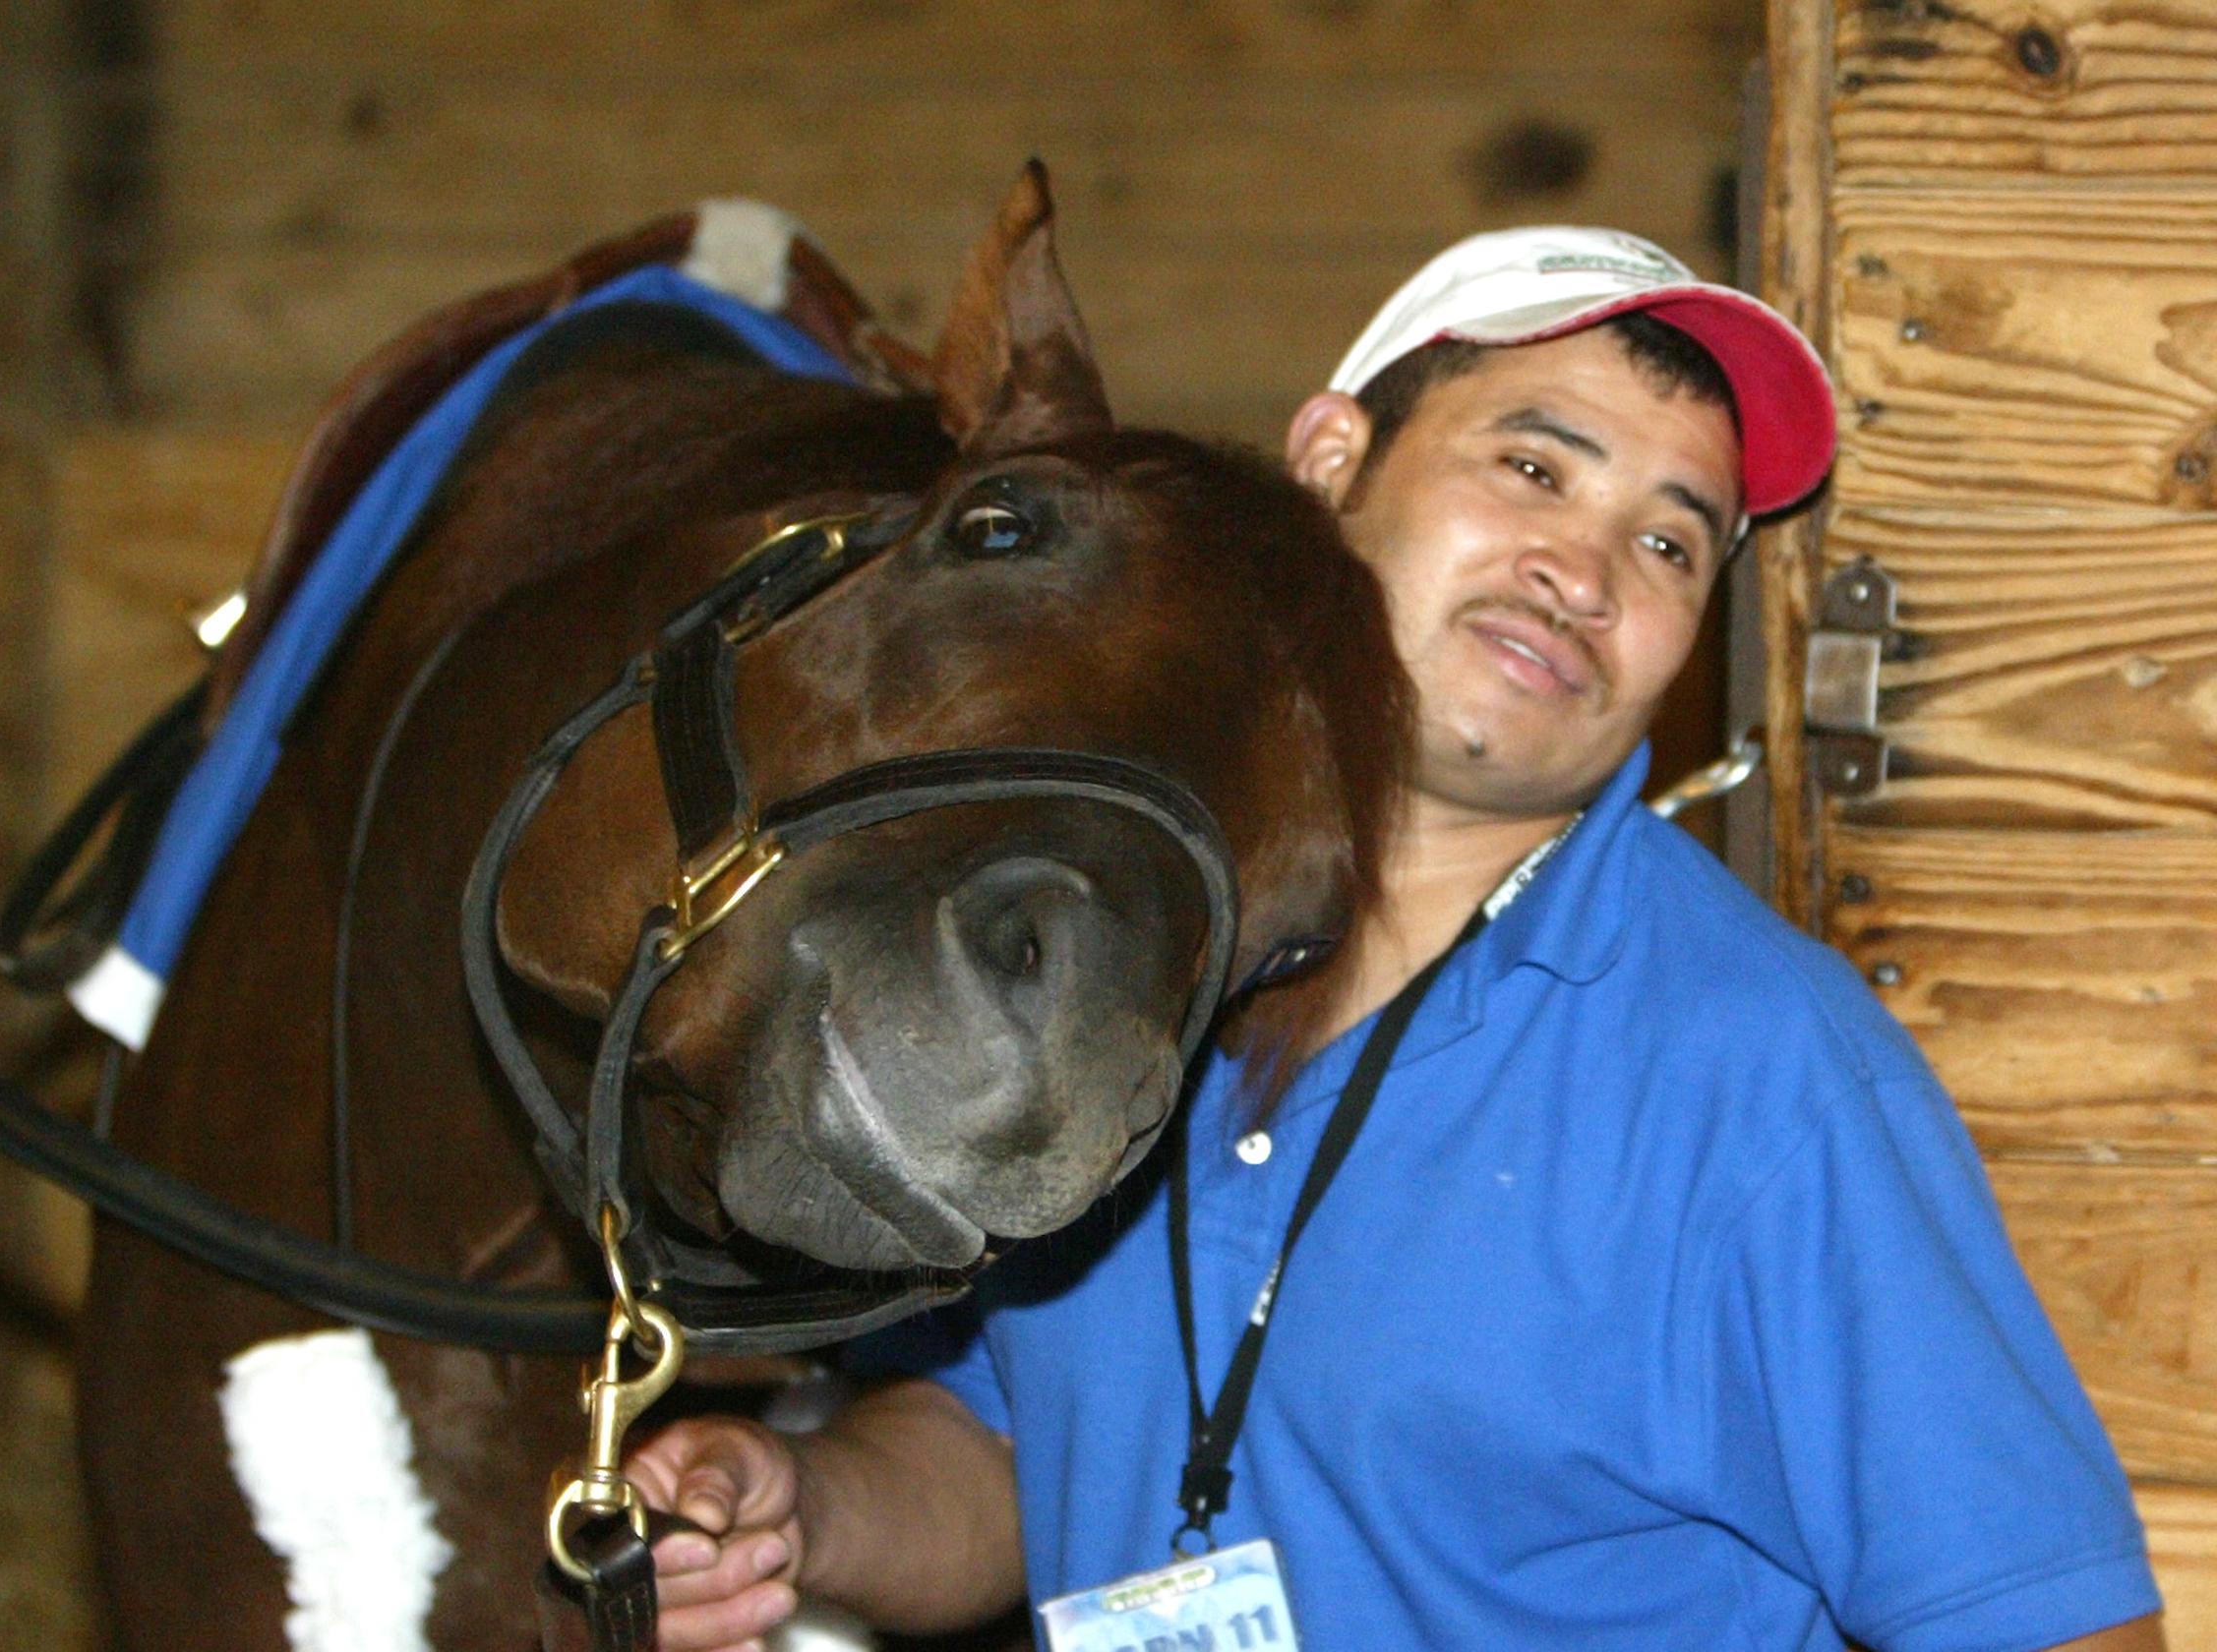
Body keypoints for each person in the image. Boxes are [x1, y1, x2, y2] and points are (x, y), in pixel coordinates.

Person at [623, 226, 2168, 1652]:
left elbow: (2062, 1622)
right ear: (1329, 461)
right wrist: (804, 1509)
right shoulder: (1111, 947)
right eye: (1536, 469)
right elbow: (1004, 1445)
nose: (1585, 573)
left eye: (1671, 545)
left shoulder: (1758, 1074)